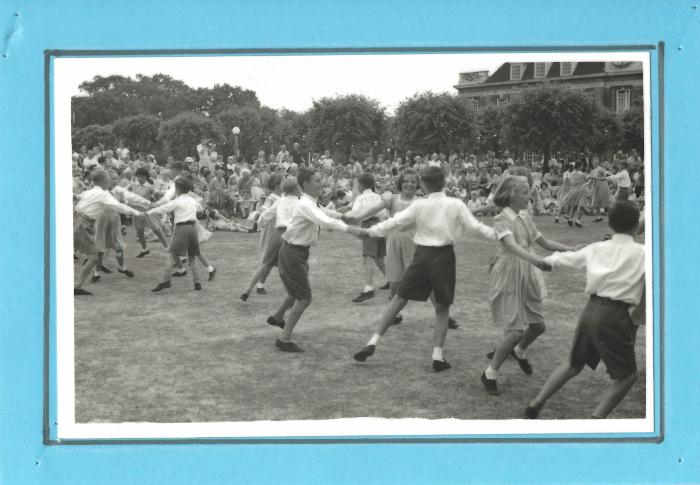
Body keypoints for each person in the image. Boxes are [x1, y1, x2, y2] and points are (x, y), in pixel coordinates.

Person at [352, 167, 496, 371]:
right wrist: (502, 236)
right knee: (442, 307)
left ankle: (372, 342)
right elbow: (476, 228)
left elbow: (394, 223)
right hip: (443, 256)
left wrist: (368, 231)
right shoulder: (454, 204)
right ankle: (437, 356)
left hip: (421, 255)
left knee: (400, 298)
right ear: (444, 182)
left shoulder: (419, 205)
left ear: (423, 185)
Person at [525, 201, 644, 418]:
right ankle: (596, 419)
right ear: (637, 225)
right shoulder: (644, 253)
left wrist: (544, 261)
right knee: (627, 376)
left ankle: (536, 402)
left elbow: (562, 259)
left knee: (573, 363)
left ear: (609, 223)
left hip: (591, 310)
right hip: (617, 314)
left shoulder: (596, 248)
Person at [480, 176, 581, 396]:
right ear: (511, 195)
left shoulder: (525, 217)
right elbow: (511, 246)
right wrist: (536, 261)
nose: (531, 196)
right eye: (526, 192)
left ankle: (518, 351)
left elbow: (544, 242)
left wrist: (571, 249)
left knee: (538, 326)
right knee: (516, 331)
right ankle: (489, 373)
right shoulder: (501, 219)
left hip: (526, 272)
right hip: (509, 274)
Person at [267, 167, 364, 353]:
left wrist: (345, 215)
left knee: (297, 290)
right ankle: (284, 338)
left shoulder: (309, 202)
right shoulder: (305, 204)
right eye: (318, 181)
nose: (322, 184)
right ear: (306, 184)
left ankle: (278, 317)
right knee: (304, 297)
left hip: (297, 252)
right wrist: (354, 230)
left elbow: (326, 214)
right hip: (293, 253)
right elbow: (325, 221)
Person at [73, 170, 141, 295]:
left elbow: (76, 197)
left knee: (91, 255)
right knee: (93, 257)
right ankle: (77, 286)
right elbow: (118, 206)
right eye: (108, 179)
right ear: (103, 181)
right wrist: (137, 213)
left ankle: (77, 285)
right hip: (83, 224)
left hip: (77, 221)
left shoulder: (90, 191)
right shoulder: (103, 194)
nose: (109, 181)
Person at [241, 176, 300, 301]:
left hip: (277, 233)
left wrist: (260, 221)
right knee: (284, 267)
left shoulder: (281, 199)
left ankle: (249, 288)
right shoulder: (276, 198)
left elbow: (265, 214)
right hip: (284, 234)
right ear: (277, 185)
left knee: (266, 263)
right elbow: (265, 209)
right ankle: (290, 295)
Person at [147, 177, 206, 292]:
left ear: (177, 189)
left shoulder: (176, 201)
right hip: (193, 227)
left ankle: (165, 281)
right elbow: (200, 210)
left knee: (171, 254)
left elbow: (162, 209)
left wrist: (147, 212)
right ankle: (197, 282)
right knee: (192, 256)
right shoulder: (192, 200)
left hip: (182, 228)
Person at [342, 174, 388, 303]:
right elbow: (384, 213)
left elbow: (355, 214)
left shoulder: (362, 198)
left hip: (369, 227)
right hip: (381, 227)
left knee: (368, 258)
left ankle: (368, 289)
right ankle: (390, 280)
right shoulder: (378, 196)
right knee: (379, 258)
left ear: (361, 185)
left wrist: (342, 217)